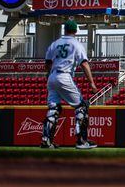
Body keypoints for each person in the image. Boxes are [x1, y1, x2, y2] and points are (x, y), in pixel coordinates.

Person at [41, 19, 98, 149]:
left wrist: (50, 77)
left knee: (53, 108)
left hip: (52, 76)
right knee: (82, 106)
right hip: (65, 76)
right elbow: (84, 64)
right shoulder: (76, 45)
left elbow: (47, 64)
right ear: (76, 31)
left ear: (64, 30)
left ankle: (46, 140)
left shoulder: (54, 44)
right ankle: (81, 141)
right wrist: (92, 83)